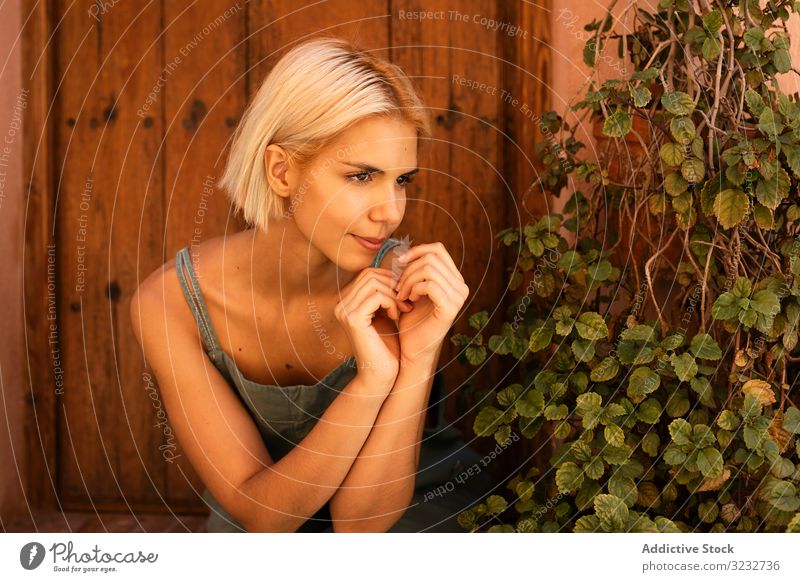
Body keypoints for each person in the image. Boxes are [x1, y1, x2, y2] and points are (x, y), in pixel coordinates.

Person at [130, 37, 470, 533]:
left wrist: (412, 362)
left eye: (401, 180)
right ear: (283, 170)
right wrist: (369, 382)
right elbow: (261, 512)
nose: (390, 211)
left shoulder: (402, 288)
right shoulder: (169, 304)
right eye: (361, 177)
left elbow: (361, 525)